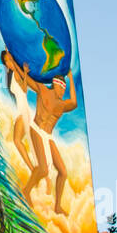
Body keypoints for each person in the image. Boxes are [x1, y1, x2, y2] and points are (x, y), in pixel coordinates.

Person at [21, 64, 77, 215]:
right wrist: (23, 71)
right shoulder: (43, 90)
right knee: (44, 169)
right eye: (62, 88)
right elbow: (29, 81)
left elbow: (74, 102)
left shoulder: (62, 104)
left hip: (48, 135)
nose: (63, 91)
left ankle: (57, 206)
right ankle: (26, 191)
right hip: (36, 129)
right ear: (55, 86)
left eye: (65, 89)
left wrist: (70, 78)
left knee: (63, 172)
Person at [2, 48, 35, 171]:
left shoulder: (15, 74)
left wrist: (25, 73)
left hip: (23, 112)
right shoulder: (11, 75)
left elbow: (24, 90)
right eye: (6, 61)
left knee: (17, 141)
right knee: (24, 142)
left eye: (10, 60)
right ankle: (34, 169)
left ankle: (33, 169)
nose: (9, 62)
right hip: (21, 111)